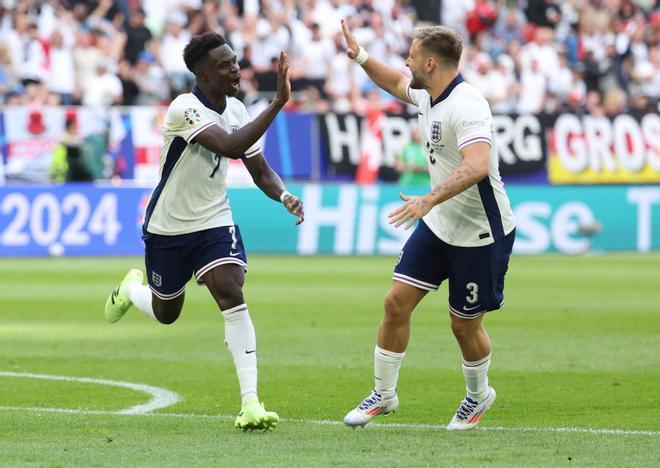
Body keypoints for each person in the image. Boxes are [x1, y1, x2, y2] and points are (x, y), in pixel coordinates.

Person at [104, 32, 304, 431]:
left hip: (214, 219)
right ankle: (131, 290)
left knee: (230, 289)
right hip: (168, 226)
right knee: (166, 313)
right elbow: (230, 147)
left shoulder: (237, 110)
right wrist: (279, 101)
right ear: (202, 73)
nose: (235, 69)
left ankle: (251, 403)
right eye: (225, 64)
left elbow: (259, 171)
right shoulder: (184, 108)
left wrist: (283, 195)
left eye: (235, 61)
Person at [341, 20, 516, 430]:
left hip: (480, 233)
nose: (407, 60)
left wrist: (427, 199)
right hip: (439, 225)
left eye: (413, 55)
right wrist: (362, 57)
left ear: (432, 62)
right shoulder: (427, 93)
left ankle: (478, 396)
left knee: (464, 325)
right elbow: (394, 82)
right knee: (394, 302)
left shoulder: (468, 105)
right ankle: (383, 395)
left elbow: (475, 166)